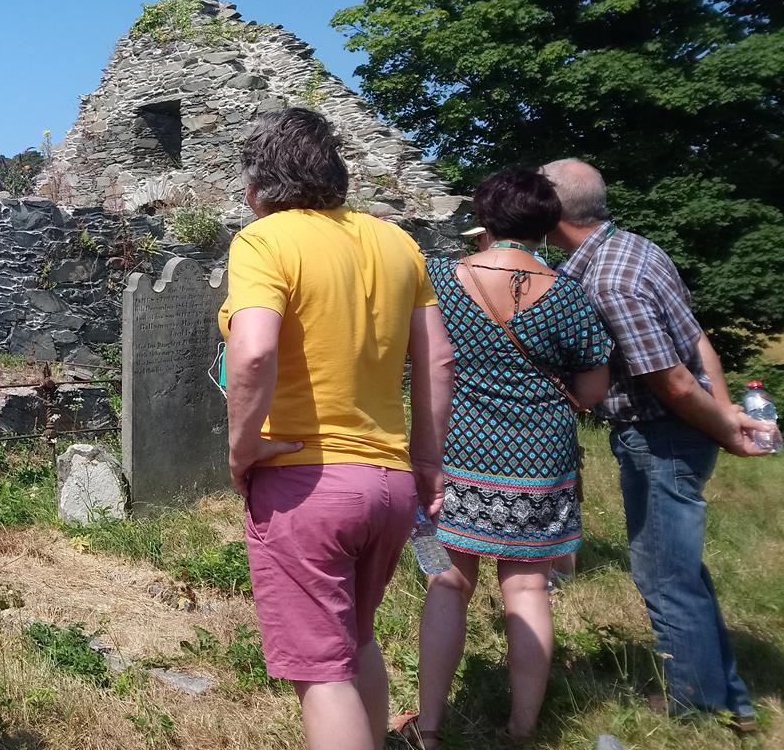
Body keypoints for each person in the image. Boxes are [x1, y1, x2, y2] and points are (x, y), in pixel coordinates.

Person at [217, 108, 454, 750]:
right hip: (390, 481)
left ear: (256, 186)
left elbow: (254, 351)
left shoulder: (264, 241)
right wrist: (427, 462)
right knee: (355, 642)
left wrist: (244, 447)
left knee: (321, 674)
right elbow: (438, 356)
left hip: (306, 483)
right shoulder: (397, 241)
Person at [541, 158, 772, 731]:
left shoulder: (607, 281)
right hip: (679, 432)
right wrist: (725, 414)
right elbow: (698, 339)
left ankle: (694, 706)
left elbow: (669, 379)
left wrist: (724, 428)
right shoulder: (636, 249)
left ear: (553, 210)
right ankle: (733, 698)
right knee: (681, 568)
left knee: (663, 574)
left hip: (660, 437)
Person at [414, 168, 613, 745]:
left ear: (486, 217)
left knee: (448, 584)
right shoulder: (568, 293)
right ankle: (522, 728)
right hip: (540, 460)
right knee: (527, 591)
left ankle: (428, 729)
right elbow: (594, 391)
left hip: (457, 451)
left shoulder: (442, 282)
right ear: (547, 224)